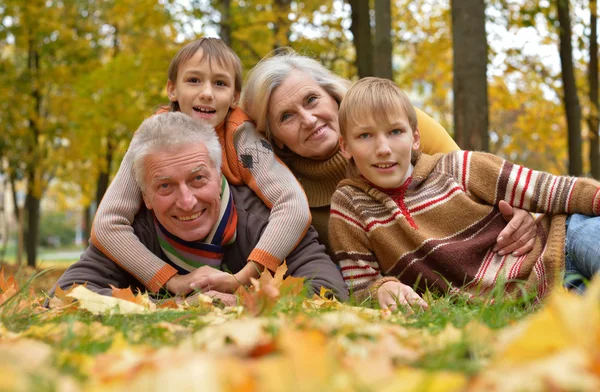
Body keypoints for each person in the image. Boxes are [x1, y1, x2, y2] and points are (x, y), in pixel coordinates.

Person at [328, 77, 600, 310]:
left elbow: (545, 188)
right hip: (548, 295)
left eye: (395, 132)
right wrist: (382, 289)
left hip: (563, 243)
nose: (383, 148)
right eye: (365, 136)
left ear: (415, 138)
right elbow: (361, 284)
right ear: (345, 146)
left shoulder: (457, 167)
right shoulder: (351, 206)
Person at [241, 48, 537, 255]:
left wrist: (522, 212)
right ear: (276, 138)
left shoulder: (399, 124)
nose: (308, 120)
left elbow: (477, 178)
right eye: (286, 117)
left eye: (311, 100)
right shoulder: (282, 190)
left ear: (333, 97)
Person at [90, 38, 312, 296]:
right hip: (166, 239)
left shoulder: (242, 136)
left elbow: (293, 204)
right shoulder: (151, 139)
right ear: (172, 89)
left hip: (238, 240)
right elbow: (108, 223)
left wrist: (245, 278)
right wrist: (169, 280)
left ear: (234, 97)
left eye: (220, 83)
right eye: (194, 80)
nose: (206, 92)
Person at [51, 112, 348, 302]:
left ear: (219, 175)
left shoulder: (266, 220)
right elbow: (66, 293)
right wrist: (172, 305)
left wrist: (243, 299)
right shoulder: (132, 234)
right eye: (165, 186)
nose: (187, 201)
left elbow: (328, 287)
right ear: (146, 196)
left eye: (198, 179)